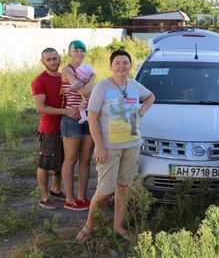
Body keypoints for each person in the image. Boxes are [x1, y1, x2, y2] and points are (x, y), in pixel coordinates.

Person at [76, 49, 155, 242]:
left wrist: (141, 113)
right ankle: (89, 226)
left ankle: (118, 227)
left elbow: (151, 96)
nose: (121, 66)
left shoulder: (134, 85)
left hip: (132, 145)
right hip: (109, 147)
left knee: (124, 187)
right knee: (105, 190)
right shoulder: (102, 87)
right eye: (117, 63)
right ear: (111, 66)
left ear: (130, 66)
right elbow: (92, 118)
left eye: (125, 63)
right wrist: (99, 147)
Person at [31, 48, 79, 209]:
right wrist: (65, 111)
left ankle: (56, 189)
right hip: (49, 128)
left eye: (54, 58)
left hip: (65, 126)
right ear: (42, 61)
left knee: (63, 160)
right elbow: (41, 107)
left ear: (59, 59)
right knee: (45, 162)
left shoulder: (63, 77)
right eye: (48, 59)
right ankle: (44, 197)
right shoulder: (39, 81)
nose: (52, 62)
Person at [60, 40, 95, 211]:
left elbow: (90, 91)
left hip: (88, 117)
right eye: (76, 50)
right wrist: (92, 79)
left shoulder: (87, 70)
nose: (79, 53)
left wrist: (90, 82)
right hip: (71, 118)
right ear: (69, 52)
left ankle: (82, 197)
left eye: (82, 50)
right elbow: (83, 91)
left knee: (86, 158)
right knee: (71, 158)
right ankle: (69, 199)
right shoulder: (66, 70)